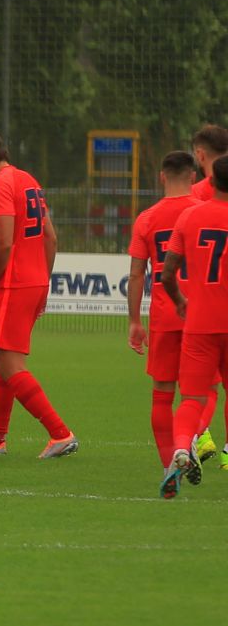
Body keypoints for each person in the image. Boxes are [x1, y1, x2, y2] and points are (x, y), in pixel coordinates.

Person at [0, 130, 77, 459]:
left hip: (14, 282)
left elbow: (4, 241)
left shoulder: (0, 184)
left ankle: (60, 433)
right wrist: (44, 280)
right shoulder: (28, 180)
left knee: (10, 363)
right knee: (0, 360)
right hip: (35, 279)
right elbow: (51, 238)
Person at [159, 154, 228, 498]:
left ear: (211, 181)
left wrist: (180, 301)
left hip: (200, 323)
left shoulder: (190, 216)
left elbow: (167, 274)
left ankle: (182, 448)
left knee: (191, 399)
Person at [127, 151, 199, 474]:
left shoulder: (147, 218)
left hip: (163, 316)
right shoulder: (202, 212)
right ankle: (190, 444)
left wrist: (134, 321)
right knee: (198, 394)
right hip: (201, 315)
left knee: (161, 396)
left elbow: (136, 275)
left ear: (161, 177)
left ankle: (169, 465)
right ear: (193, 177)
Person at [189, 123, 228, 468]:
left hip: (202, 303)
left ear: (200, 155)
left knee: (203, 385)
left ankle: (196, 437)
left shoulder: (198, 194)